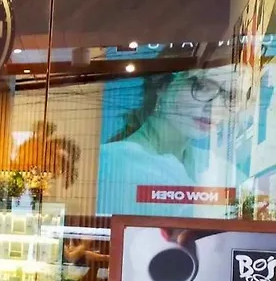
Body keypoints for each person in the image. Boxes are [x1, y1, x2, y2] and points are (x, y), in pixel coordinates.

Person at [98, 66, 239, 217]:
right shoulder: (110, 162)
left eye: (229, 96)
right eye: (201, 87)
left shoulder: (220, 169)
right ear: (163, 86)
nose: (214, 107)